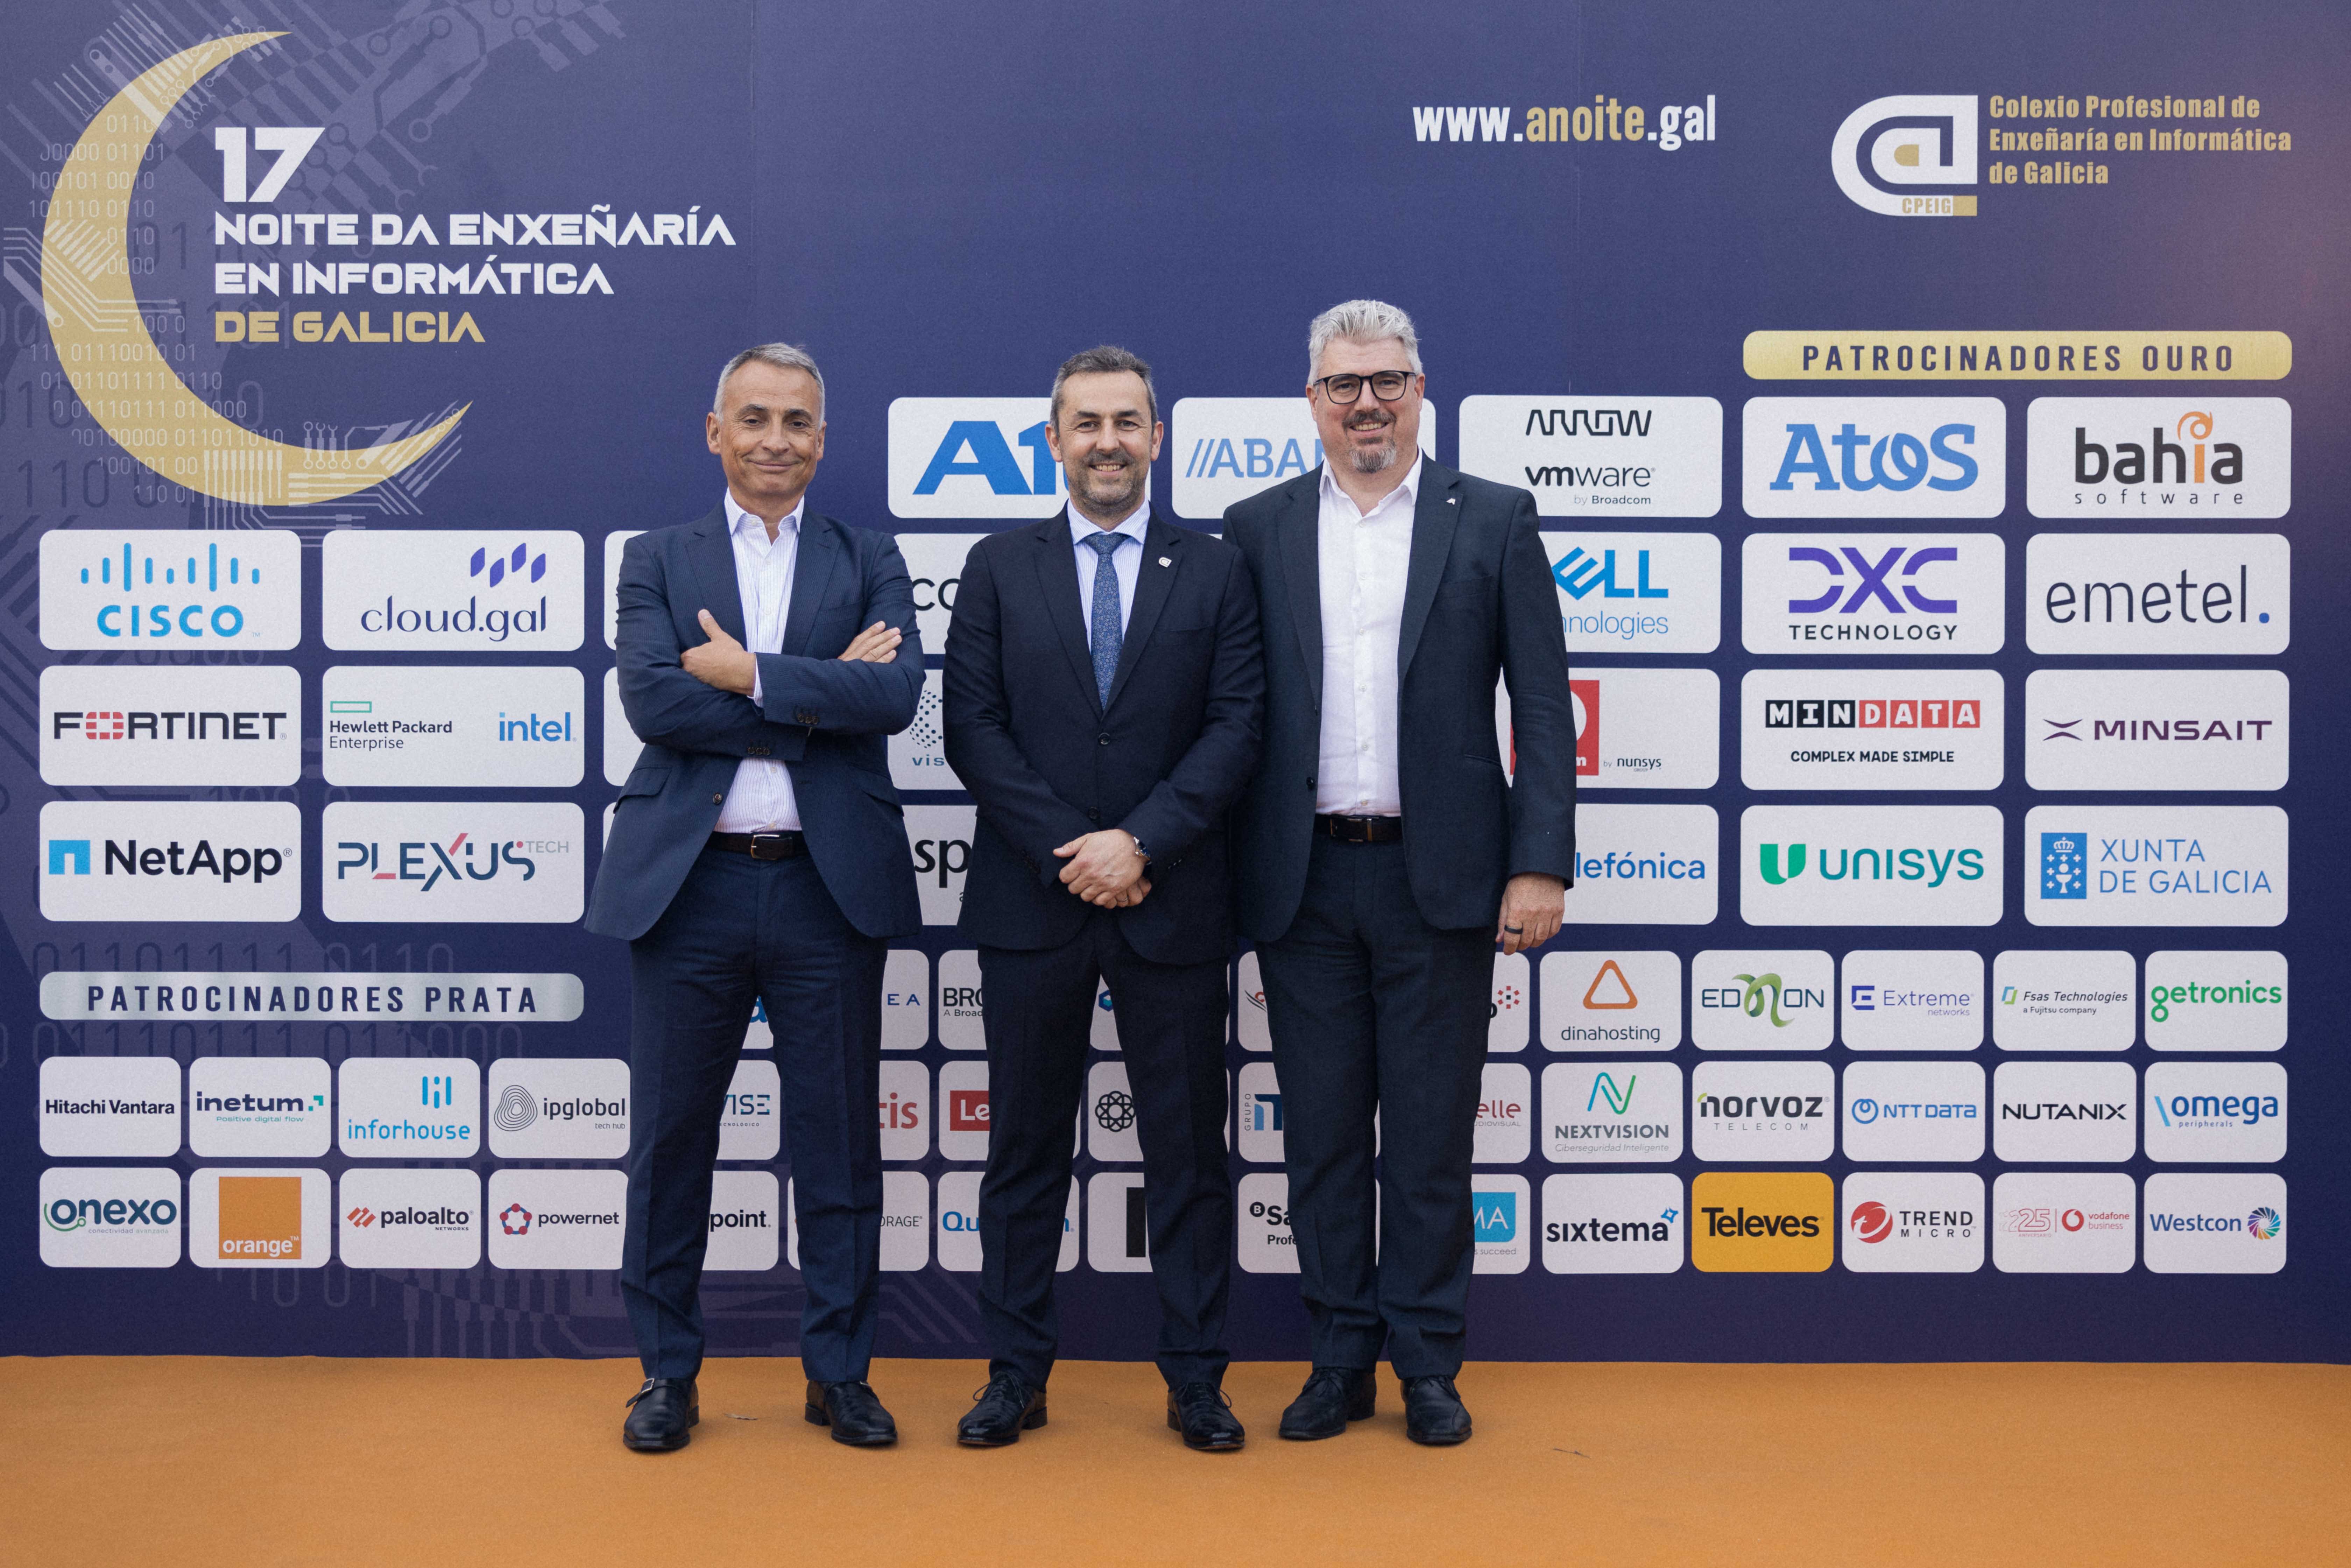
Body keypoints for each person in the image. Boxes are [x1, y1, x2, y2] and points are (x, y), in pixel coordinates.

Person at [1221, 301, 1575, 1446]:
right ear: (1313, 401)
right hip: (1304, 882)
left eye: (1387, 381)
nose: (1366, 403)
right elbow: (1230, 710)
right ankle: (1338, 1360)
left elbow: (1544, 707)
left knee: (1428, 1142)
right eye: (1344, 385)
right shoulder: (1257, 527)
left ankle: (1427, 1361)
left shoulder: (1497, 518)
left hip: (1447, 882)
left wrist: (1539, 863)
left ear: (1421, 390)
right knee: (1322, 1140)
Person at [588, 342, 925, 1452]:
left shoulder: (869, 556)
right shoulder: (657, 557)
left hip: (830, 890)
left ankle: (840, 1374)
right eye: (755, 417)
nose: (776, 438)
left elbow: (894, 695)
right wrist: (820, 690)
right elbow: (656, 704)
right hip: (691, 890)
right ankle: (665, 1375)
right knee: (671, 1145)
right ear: (715, 431)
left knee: (842, 1147)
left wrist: (748, 674)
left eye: (797, 421)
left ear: (823, 440)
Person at [942, 345, 1264, 1451]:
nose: (1108, 442)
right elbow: (973, 729)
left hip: (1173, 902)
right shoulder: (997, 565)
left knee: (1187, 1157)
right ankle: (1014, 1374)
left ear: (1157, 437)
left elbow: (1238, 727)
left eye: (1127, 421)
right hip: (1033, 903)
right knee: (1024, 1153)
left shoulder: (1217, 571)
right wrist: (1074, 851)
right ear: (1054, 440)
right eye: (1086, 423)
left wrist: (1142, 843)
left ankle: (1197, 1381)